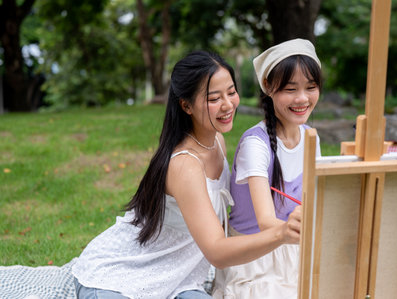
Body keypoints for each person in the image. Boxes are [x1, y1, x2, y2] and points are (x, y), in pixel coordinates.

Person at [71, 50, 303, 299]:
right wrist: (280, 234)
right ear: (186, 105)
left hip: (180, 279)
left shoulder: (217, 141)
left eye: (231, 92)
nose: (228, 104)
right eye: (214, 98)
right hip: (120, 275)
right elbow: (216, 252)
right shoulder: (184, 165)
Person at [212, 38, 322, 298]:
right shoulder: (256, 145)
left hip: (296, 248)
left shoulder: (310, 138)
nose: (302, 98)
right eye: (290, 89)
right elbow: (266, 223)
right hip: (255, 258)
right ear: (269, 88)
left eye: (311, 87)